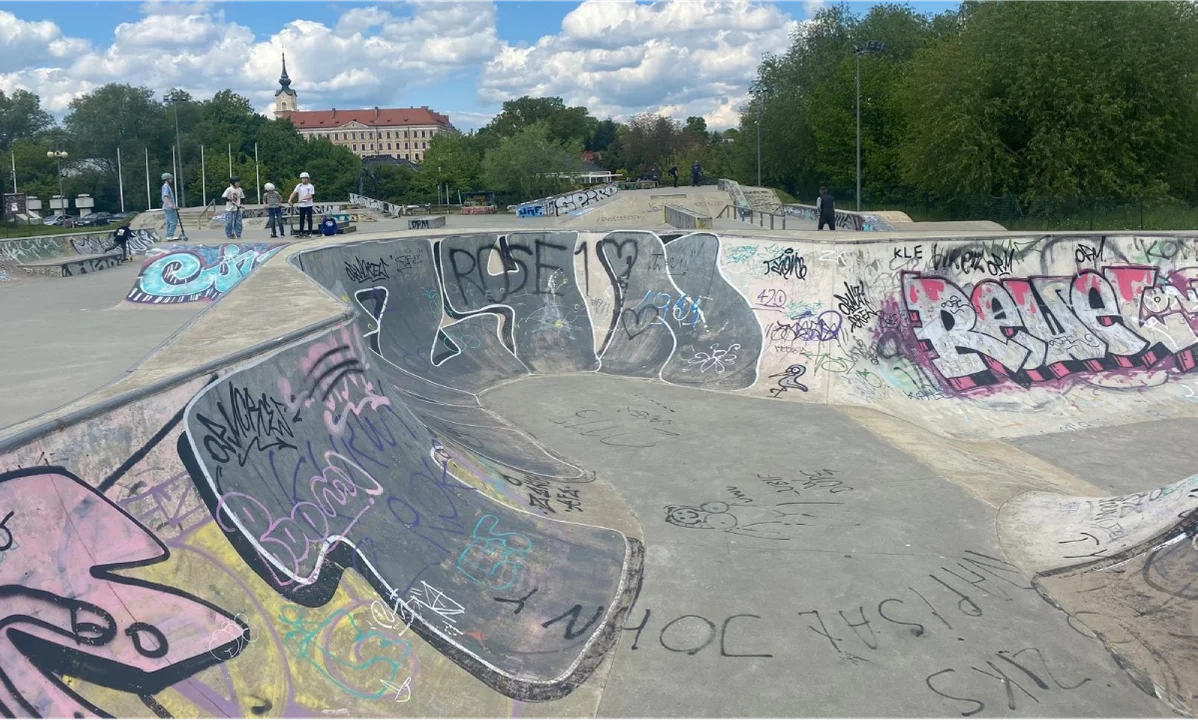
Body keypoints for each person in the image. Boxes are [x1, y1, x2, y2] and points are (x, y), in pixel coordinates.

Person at [288, 171, 315, 237]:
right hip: (302, 205)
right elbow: (294, 193)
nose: (304, 179)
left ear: (308, 179)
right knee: (301, 218)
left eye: (306, 178)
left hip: (308, 204)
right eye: (303, 178)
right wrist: (290, 199)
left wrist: (302, 199)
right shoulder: (299, 186)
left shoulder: (310, 186)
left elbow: (310, 196)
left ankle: (309, 232)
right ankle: (301, 231)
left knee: (309, 218)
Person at [161, 173, 179, 240]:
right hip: (169, 207)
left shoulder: (165, 186)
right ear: (167, 179)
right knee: (174, 221)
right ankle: (170, 235)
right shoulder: (166, 186)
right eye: (170, 179)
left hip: (166, 207)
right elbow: (165, 196)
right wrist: (170, 205)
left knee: (168, 222)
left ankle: (168, 235)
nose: (172, 180)